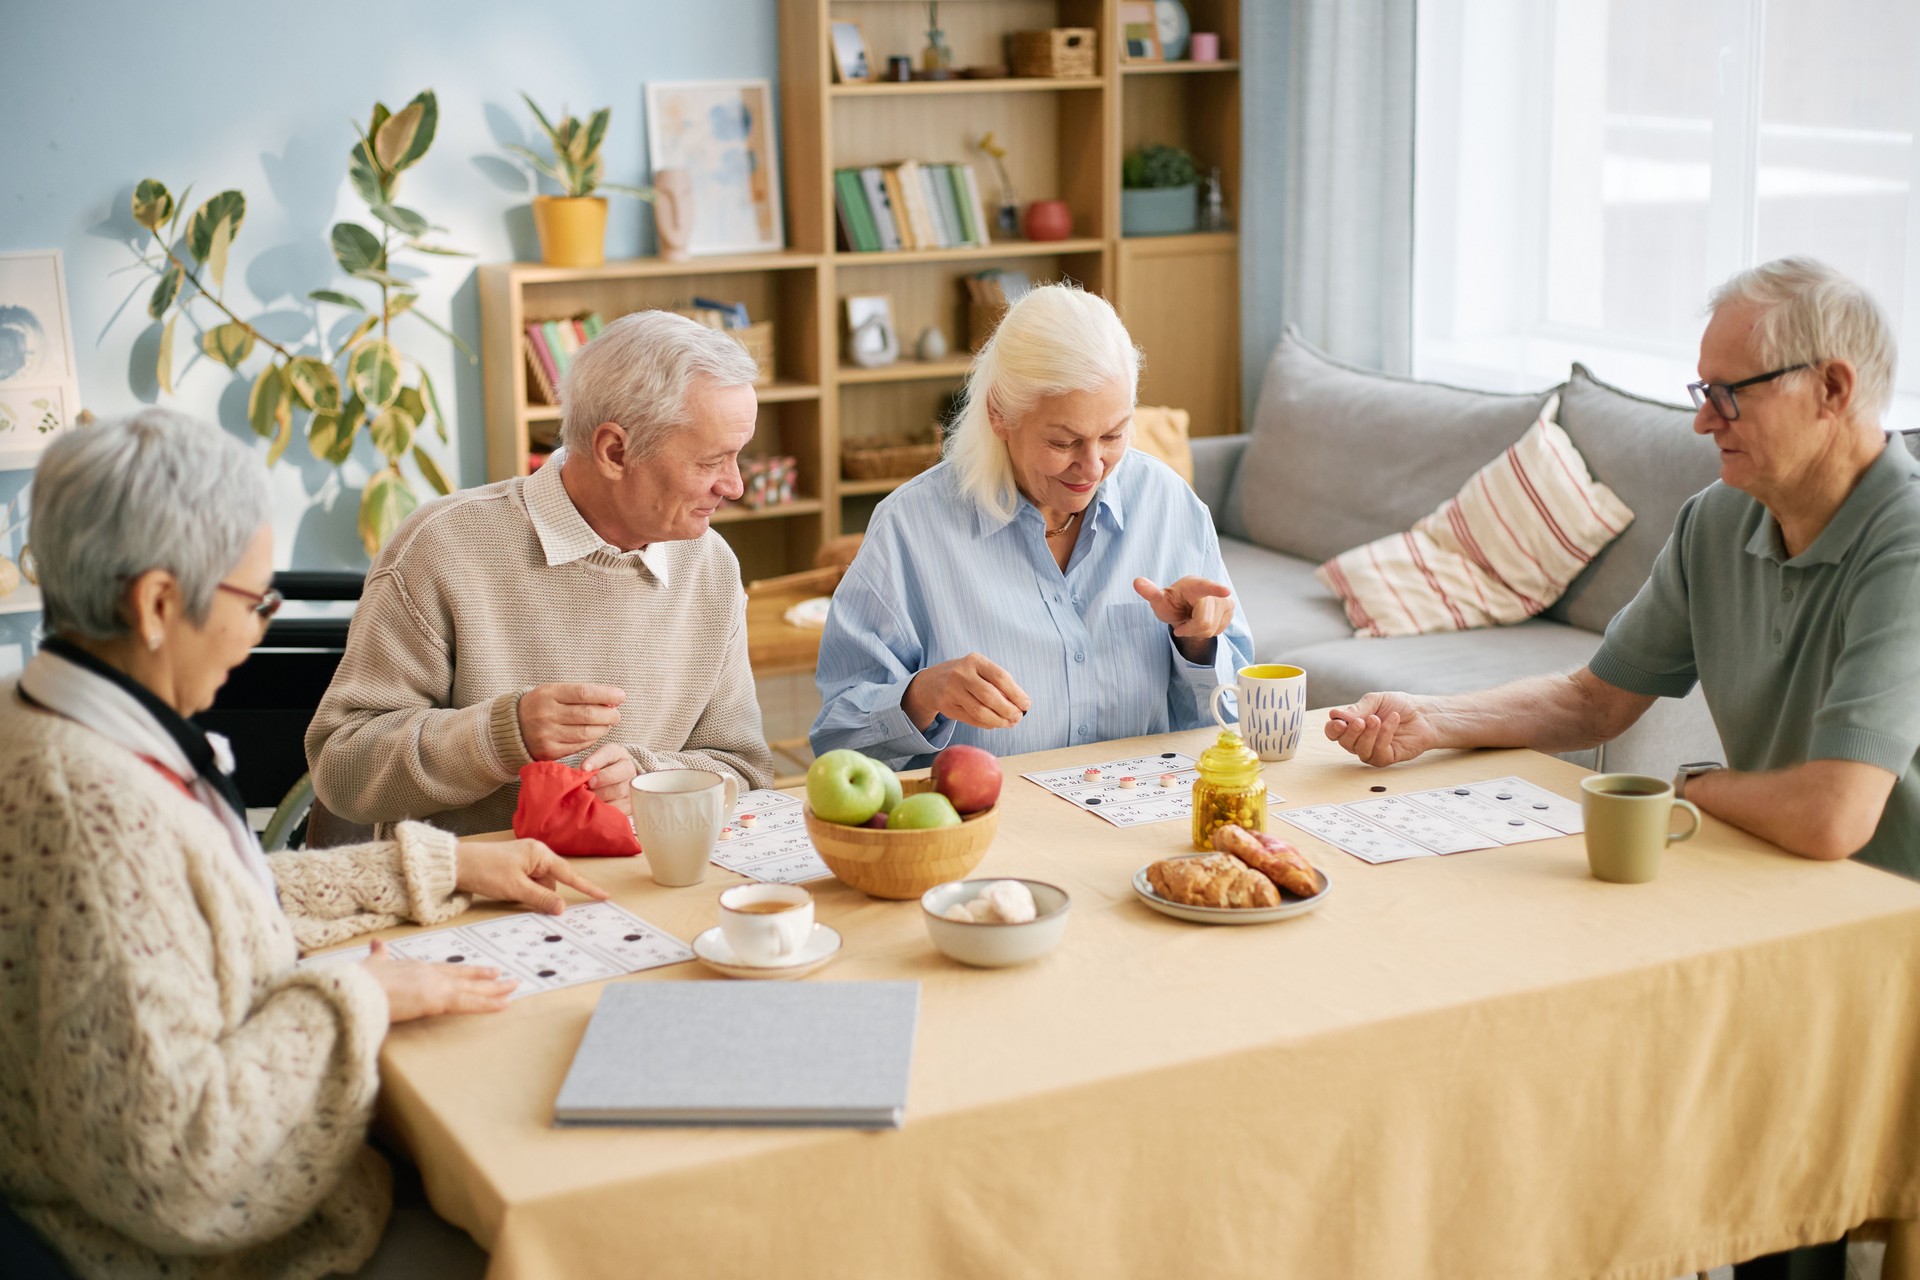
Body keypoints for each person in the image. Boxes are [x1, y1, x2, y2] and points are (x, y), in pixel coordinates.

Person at [0, 410, 608, 1279]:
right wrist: (357, 995)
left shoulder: (43, 708)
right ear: (159, 604)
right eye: (257, 603)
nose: (259, 632)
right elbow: (179, 1165)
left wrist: (439, 865)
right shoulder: (90, 810)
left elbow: (191, 911)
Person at [1324, 257, 1920, 883]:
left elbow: (1833, 817)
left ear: (1833, 389)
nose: (1703, 421)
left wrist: (1694, 788)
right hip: (1764, 869)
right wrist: (1435, 721)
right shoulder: (1716, 521)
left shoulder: (1905, 545)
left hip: (1884, 910)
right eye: (1703, 392)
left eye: (1730, 394)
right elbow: (1594, 700)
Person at [308, 310, 774, 835]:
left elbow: (743, 770)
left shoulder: (709, 564)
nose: (734, 486)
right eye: (713, 461)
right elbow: (342, 768)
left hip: (644, 884)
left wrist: (651, 777)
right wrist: (501, 736)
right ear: (614, 451)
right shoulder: (442, 548)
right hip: (477, 897)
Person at [811, 285, 1253, 768]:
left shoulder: (1169, 505)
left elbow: (1234, 716)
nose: (1093, 466)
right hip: (987, 829)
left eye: (1113, 434)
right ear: (999, 413)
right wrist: (921, 696)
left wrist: (1197, 643)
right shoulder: (910, 528)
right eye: (1063, 442)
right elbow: (838, 740)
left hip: (1142, 821)